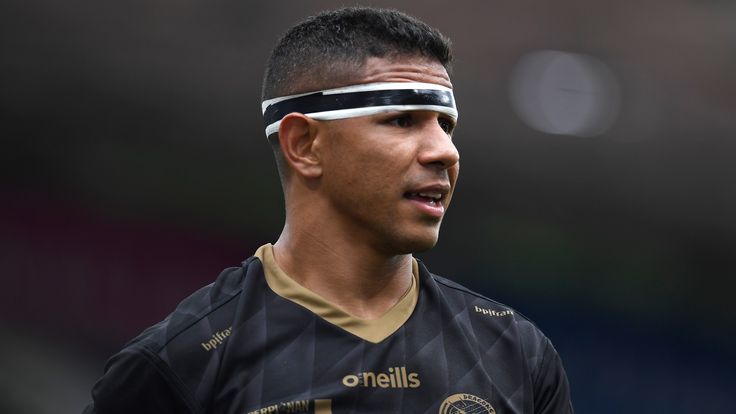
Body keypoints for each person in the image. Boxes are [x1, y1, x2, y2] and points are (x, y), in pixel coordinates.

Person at [84, 7, 573, 414]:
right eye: (402, 120)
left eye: (446, 125)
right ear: (304, 145)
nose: (444, 151)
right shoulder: (183, 363)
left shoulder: (514, 353)